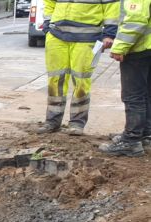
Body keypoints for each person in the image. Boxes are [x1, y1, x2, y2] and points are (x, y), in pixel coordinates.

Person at [37, 0, 120, 135]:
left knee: (81, 80)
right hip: (57, 36)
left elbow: (111, 7)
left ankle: (77, 123)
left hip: (87, 38)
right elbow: (49, 2)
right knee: (55, 79)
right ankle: (52, 121)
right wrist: (48, 25)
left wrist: (110, 34)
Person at [99, 0, 151, 156]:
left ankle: (131, 141)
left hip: (139, 49)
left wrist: (120, 47)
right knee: (146, 94)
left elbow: (135, 20)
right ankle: (145, 135)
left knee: (133, 96)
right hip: (148, 48)